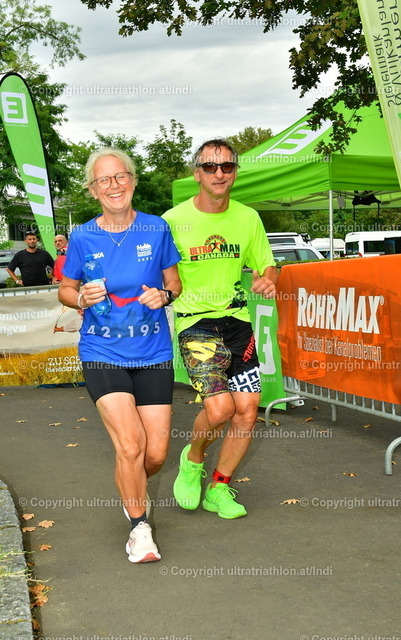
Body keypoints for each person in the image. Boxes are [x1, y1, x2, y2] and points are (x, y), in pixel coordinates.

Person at [58, 148, 182, 563]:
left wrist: (164, 295)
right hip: (102, 351)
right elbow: (65, 289)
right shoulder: (81, 237)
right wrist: (80, 297)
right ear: (93, 190)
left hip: (152, 351)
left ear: (132, 180)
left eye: (120, 176)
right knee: (130, 445)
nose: (114, 185)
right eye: (103, 180)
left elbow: (174, 283)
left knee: (154, 454)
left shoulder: (156, 228)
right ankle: (139, 530)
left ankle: (131, 489)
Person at [163, 138, 277, 520]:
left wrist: (269, 278)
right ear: (197, 173)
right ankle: (193, 459)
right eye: (210, 166)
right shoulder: (172, 220)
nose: (219, 173)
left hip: (238, 321)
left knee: (247, 410)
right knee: (220, 408)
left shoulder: (248, 218)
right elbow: (157, 274)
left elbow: (266, 264)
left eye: (226, 166)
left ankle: (219, 488)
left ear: (235, 173)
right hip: (196, 323)